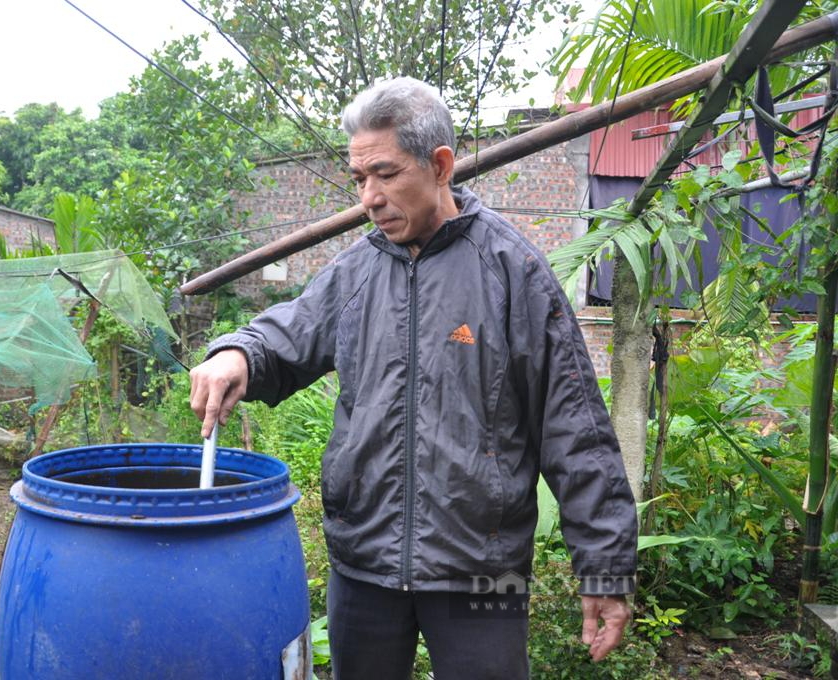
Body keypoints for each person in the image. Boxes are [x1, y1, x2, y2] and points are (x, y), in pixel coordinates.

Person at [189, 76, 638, 679]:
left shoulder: (513, 273)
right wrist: (237, 354)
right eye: (359, 179)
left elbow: (575, 429)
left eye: (385, 173)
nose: (369, 197)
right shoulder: (353, 274)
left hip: (483, 564)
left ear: (440, 165)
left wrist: (605, 570)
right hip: (364, 561)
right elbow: (285, 334)